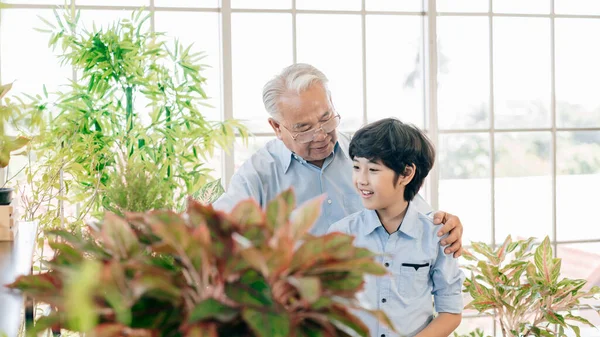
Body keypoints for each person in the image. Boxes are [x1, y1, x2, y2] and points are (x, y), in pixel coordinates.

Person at [213, 63, 463, 256]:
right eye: (304, 128)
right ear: (277, 127)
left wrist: (444, 224)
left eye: (325, 118)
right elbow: (215, 235)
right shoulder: (258, 174)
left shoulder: (368, 154)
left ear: (332, 103)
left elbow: (415, 213)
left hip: (377, 300)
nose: (320, 135)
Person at [327, 118, 464, 337]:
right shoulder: (340, 234)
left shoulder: (437, 235)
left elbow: (451, 310)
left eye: (372, 169)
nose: (361, 180)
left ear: (407, 174)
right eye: (356, 167)